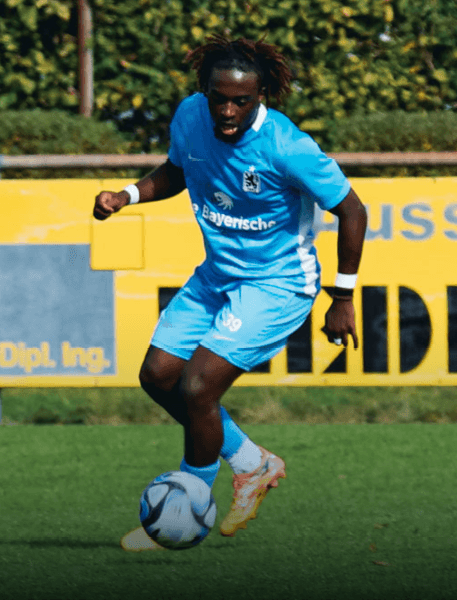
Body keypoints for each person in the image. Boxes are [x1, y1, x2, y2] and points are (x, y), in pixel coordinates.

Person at [93, 35, 367, 550]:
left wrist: (343, 296)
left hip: (278, 285)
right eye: (219, 98)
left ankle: (187, 506)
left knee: (198, 387)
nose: (228, 111)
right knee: (157, 376)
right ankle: (251, 463)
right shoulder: (190, 116)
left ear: (261, 95)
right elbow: (177, 171)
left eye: (241, 101)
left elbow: (353, 210)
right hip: (217, 276)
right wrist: (127, 195)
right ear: (204, 90)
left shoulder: (287, 146)